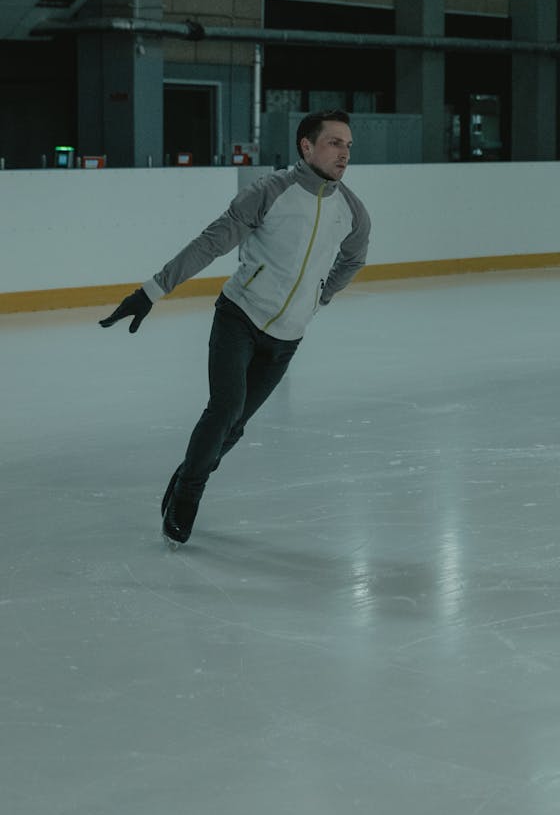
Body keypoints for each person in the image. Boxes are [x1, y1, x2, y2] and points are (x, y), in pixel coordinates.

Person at [100, 109, 370, 547]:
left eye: (349, 145)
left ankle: (190, 469)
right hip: (239, 316)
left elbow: (354, 258)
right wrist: (151, 291)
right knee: (225, 408)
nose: (345, 154)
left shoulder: (353, 212)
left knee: (236, 425)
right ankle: (189, 493)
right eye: (335, 143)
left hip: (287, 337)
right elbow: (211, 242)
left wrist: (320, 296)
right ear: (306, 145)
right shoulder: (270, 192)